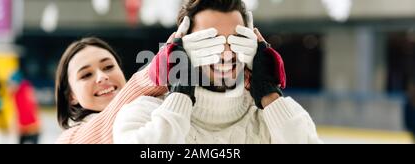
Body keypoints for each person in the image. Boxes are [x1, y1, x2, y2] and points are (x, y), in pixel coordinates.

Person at [112, 0, 322, 144]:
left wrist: (270, 94)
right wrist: (181, 94)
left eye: (236, 39)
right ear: (182, 45)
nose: (227, 53)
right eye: (210, 41)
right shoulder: (142, 115)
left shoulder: (276, 119)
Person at [55, 37, 167, 144]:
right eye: (86, 75)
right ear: (71, 96)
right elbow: (104, 127)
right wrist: (161, 69)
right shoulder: (68, 140)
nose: (102, 77)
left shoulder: (159, 108)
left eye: (108, 67)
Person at [9, 70, 41, 144]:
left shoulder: (25, 87)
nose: (11, 86)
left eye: (12, 83)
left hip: (32, 126)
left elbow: (33, 105)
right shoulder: (16, 93)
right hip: (23, 126)